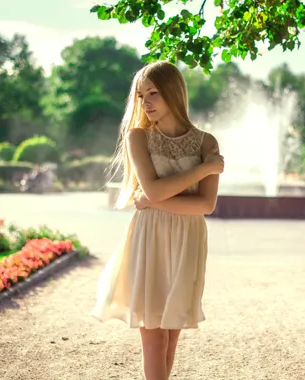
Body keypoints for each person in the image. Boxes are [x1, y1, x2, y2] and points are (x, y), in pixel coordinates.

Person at [91, 61, 224, 380]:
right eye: (140, 96)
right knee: (153, 338)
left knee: (170, 338)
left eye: (153, 93)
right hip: (149, 239)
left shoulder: (207, 142)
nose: (145, 102)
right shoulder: (137, 137)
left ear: (174, 92)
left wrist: (155, 200)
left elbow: (206, 204)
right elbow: (150, 188)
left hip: (187, 242)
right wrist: (203, 170)